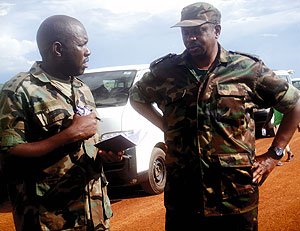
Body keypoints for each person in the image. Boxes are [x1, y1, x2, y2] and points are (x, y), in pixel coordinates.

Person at [129, 2, 300, 230]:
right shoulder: (166, 72)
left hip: (235, 196)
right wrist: (166, 127)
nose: (191, 38)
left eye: (199, 31)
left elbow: (294, 104)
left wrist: (274, 154)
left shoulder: (247, 69)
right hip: (184, 197)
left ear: (217, 31)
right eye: (186, 32)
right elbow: (137, 98)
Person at [0, 15, 121, 231]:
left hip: (95, 215)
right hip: (51, 220)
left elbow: (87, 143)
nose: (88, 51)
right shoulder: (19, 91)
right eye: (82, 44)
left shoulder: (82, 87)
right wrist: (69, 135)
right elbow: (8, 154)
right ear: (58, 49)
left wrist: (105, 154)